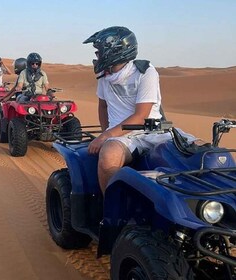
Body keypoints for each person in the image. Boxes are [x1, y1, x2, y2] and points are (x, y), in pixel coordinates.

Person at [83, 26, 196, 195]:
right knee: (108, 157)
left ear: (114, 51)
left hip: (153, 130)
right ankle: (113, 212)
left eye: (99, 52)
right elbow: (103, 105)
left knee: (200, 152)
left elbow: (141, 116)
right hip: (123, 136)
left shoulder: (145, 72)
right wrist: (108, 133)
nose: (97, 57)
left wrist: (105, 136)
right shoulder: (104, 77)